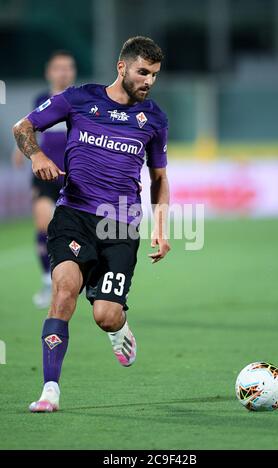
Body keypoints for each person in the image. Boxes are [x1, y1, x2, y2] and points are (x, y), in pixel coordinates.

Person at [13, 36, 171, 413]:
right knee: (64, 289)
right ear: (122, 67)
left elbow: (160, 178)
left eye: (154, 75)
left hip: (120, 224)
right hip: (74, 215)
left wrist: (161, 228)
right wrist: (35, 157)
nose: (149, 80)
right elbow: (23, 128)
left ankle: (118, 329)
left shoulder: (154, 118)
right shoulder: (79, 98)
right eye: (142, 71)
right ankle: (50, 388)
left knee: (105, 315)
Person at [12, 51, 77, 309]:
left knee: (80, 229)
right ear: (49, 72)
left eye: (68, 67)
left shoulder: (80, 100)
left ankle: (78, 276)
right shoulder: (41, 99)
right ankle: (47, 280)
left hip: (74, 174)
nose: (63, 72)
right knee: (43, 224)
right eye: (58, 68)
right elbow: (31, 128)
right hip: (44, 174)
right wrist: (20, 150)